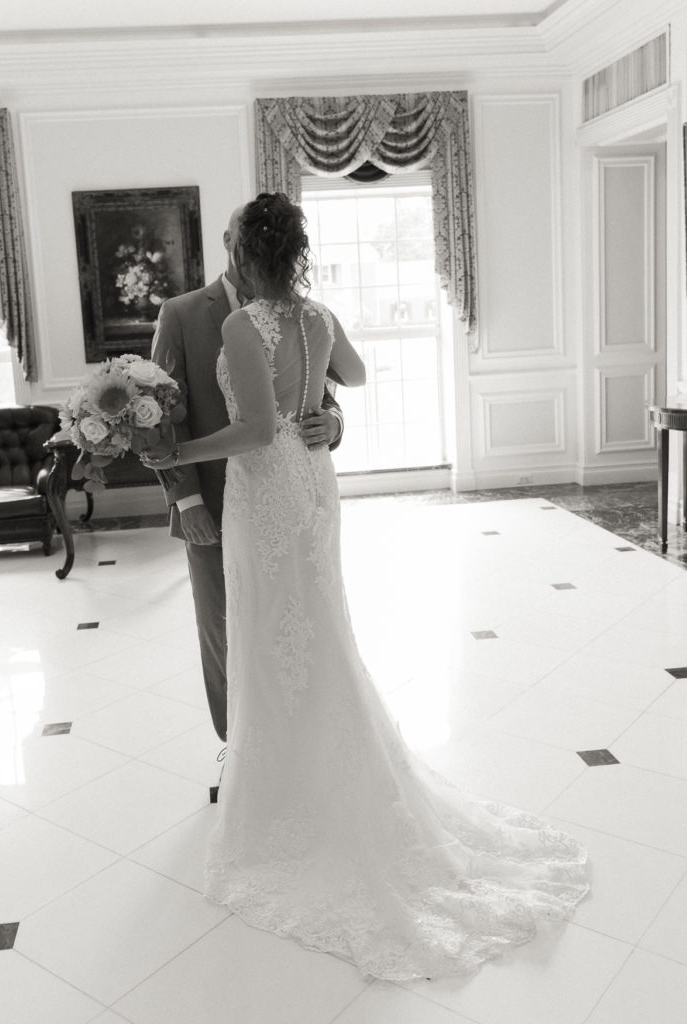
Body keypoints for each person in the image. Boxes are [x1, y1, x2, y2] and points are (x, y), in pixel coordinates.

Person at [141, 193, 588, 981]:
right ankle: (295, 760)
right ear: (295, 253)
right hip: (310, 490)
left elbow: (249, 431)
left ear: (243, 250)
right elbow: (352, 373)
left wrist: (179, 458)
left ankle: (286, 782)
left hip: (264, 490)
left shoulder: (246, 326)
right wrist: (314, 412)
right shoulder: (314, 316)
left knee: (269, 625)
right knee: (312, 625)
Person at [150, 206, 344, 746]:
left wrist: (333, 421)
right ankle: (237, 750)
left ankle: (303, 741)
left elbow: (319, 393)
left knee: (301, 618)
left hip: (292, 493)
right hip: (215, 499)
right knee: (225, 628)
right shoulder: (183, 313)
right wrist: (184, 501)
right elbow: (163, 417)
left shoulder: (302, 314)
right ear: (229, 242)